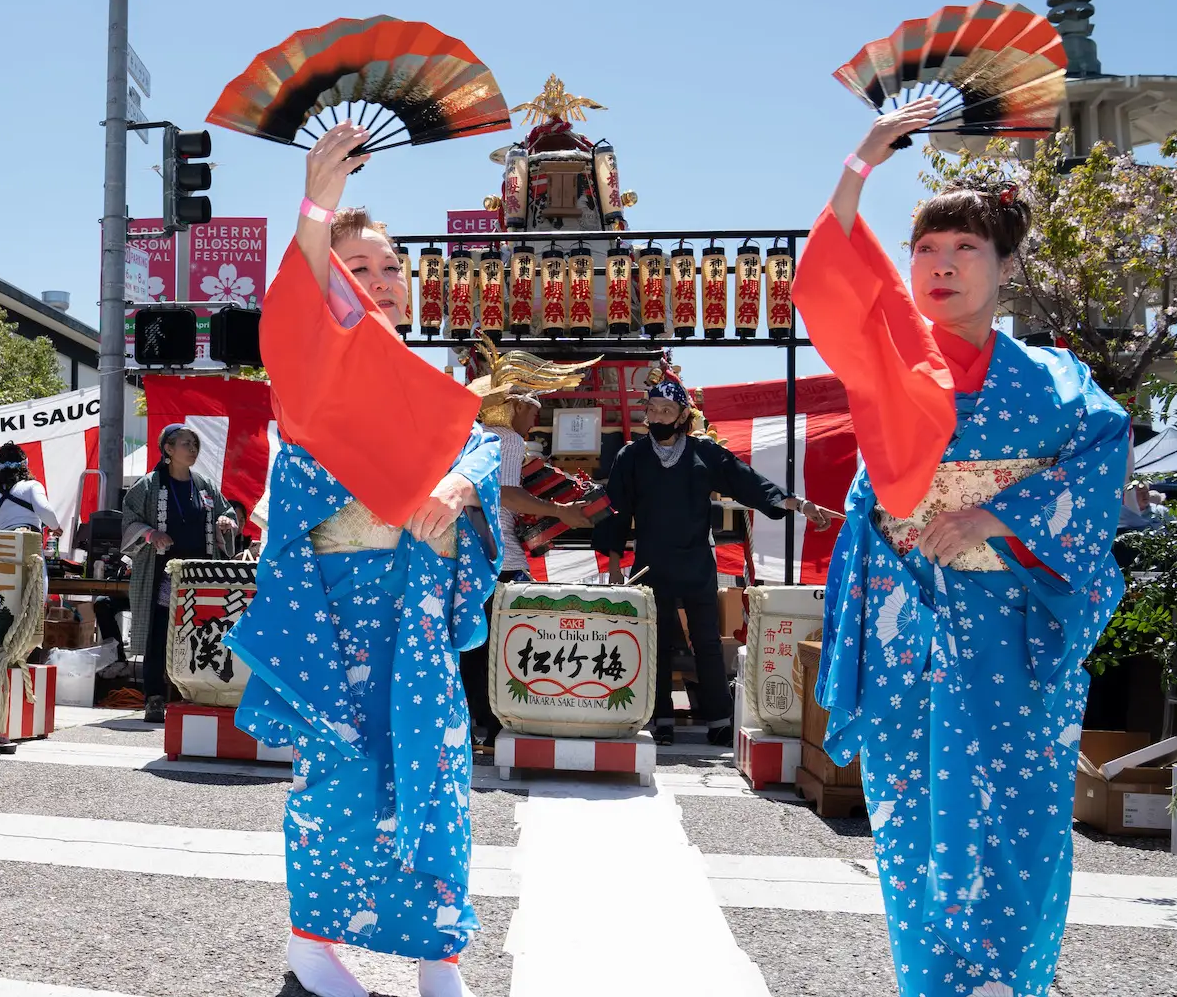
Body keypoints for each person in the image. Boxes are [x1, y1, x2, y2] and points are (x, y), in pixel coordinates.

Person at [797, 98, 1129, 997]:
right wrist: (864, 158)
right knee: (912, 812)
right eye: (925, 252)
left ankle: (1009, 980)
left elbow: (1101, 461)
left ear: (1006, 265)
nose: (939, 267)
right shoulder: (887, 352)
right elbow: (827, 272)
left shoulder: (1058, 380)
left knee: (1017, 812)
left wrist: (996, 518)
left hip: (1013, 624)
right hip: (910, 618)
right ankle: (933, 984)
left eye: (964, 251)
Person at [226, 122, 500, 997]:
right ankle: (313, 944)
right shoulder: (309, 373)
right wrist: (317, 203)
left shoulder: (430, 382)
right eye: (356, 269)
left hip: (412, 607)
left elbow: (481, 452)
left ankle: (437, 952)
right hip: (335, 608)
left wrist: (458, 486)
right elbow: (297, 300)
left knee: (435, 772)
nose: (378, 283)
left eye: (390, 269)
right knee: (338, 778)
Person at [597, 372, 837, 747]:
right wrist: (614, 565)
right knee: (655, 640)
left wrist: (799, 504)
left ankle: (719, 719)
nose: (658, 416)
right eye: (653, 409)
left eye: (667, 410)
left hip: (696, 563)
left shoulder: (703, 453)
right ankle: (660, 718)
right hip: (650, 564)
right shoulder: (632, 455)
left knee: (707, 642)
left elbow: (748, 481)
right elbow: (616, 512)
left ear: (681, 416)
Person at [462, 348, 596, 749]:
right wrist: (560, 512)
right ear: (513, 405)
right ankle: (495, 721)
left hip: (475, 554)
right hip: (499, 558)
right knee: (504, 644)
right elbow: (504, 494)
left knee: (476, 644)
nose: (536, 416)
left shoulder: (477, 436)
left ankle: (476, 722)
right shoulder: (506, 438)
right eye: (532, 405)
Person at [122, 423, 236, 723]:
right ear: (168, 450)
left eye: (195, 444)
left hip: (201, 574)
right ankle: (155, 698)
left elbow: (228, 511)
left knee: (200, 632)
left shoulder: (205, 485)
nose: (193, 449)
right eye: (186, 444)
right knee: (159, 634)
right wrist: (149, 535)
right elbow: (129, 521)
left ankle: (197, 692)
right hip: (164, 573)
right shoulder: (147, 486)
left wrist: (225, 522)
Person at [0, 442, 62, 537]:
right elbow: (44, 509)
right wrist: (55, 527)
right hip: (29, 541)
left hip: (4, 545)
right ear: (25, 465)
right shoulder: (32, 486)